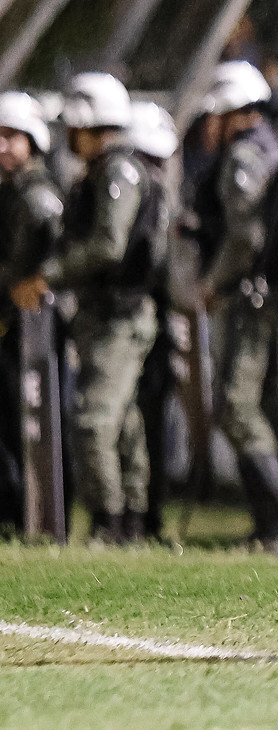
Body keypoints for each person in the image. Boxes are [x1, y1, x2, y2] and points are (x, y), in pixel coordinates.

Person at [11, 73, 167, 543]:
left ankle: (110, 522)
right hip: (107, 313)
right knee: (123, 423)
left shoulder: (117, 172)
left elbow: (107, 245)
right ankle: (132, 520)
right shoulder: (102, 173)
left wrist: (48, 275)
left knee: (94, 420)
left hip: (120, 315)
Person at [195, 61, 278, 552]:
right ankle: (272, 522)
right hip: (267, 294)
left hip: (245, 296)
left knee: (236, 406)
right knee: (261, 406)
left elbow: (245, 233)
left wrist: (212, 281)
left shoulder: (244, 155)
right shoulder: (273, 151)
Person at [0, 91, 62, 532]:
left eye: (10, 137)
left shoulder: (35, 194)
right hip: (13, 318)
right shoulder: (13, 190)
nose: (2, 146)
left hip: (29, 322)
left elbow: (22, 266)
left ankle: (31, 515)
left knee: (31, 421)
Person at [124, 101, 184, 542]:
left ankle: (146, 514)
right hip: (156, 316)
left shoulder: (147, 194)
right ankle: (145, 513)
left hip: (148, 317)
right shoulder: (160, 192)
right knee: (145, 420)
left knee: (146, 419)